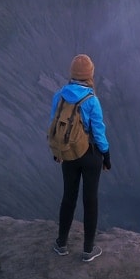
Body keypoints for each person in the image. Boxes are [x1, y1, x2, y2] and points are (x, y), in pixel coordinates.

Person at [50, 54, 112, 262]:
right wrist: (106, 154)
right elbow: (98, 130)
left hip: (68, 154)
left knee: (69, 197)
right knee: (90, 200)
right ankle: (88, 250)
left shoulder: (59, 96)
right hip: (90, 155)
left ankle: (61, 244)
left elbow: (54, 124)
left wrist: (58, 152)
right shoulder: (91, 100)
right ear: (89, 75)